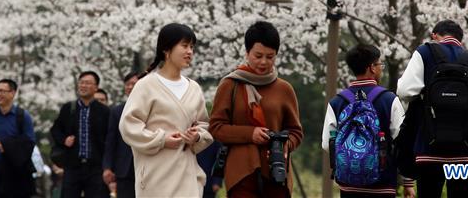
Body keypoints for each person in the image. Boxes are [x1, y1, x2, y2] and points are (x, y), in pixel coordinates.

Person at [397, 20, 468, 198]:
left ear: (435, 36)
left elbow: (404, 91)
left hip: (429, 149)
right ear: (461, 39)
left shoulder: (425, 53)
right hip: (464, 152)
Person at [119, 23, 213, 198]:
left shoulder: (194, 88)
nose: (190, 51)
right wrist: (161, 139)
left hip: (187, 173)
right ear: (166, 49)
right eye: (184, 46)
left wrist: (197, 136)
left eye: (192, 47)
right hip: (156, 175)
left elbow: (204, 124)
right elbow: (128, 126)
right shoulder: (146, 85)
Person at [209, 21, 303, 198]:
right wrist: (250, 134)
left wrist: (285, 145)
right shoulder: (230, 85)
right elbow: (216, 127)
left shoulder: (284, 89)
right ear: (247, 53)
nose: (263, 62)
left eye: (270, 56)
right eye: (258, 55)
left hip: (277, 173)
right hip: (241, 174)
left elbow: (296, 132)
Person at [322, 44, 409, 197]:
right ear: (372, 68)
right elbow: (402, 143)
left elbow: (327, 144)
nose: (381, 68)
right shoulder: (389, 100)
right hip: (383, 183)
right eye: (379, 64)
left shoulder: (336, 102)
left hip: (349, 185)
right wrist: (408, 181)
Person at [51, 71, 110, 198]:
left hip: (96, 167)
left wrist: (108, 166)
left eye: (88, 83)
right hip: (73, 166)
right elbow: (55, 130)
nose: (83, 86)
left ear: (96, 87)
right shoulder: (68, 108)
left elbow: (109, 140)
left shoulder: (104, 111)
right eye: (81, 82)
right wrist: (64, 140)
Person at [0, 79, 37, 198]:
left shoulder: (22, 116)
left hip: (14, 168)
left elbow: (30, 142)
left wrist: (8, 146)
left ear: (12, 93)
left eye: (2, 91)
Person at [102, 72, 139, 198]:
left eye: (133, 84)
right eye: (127, 84)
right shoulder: (116, 111)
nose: (130, 87)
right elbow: (111, 141)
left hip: (147, 167)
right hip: (124, 169)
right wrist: (107, 167)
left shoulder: (153, 108)